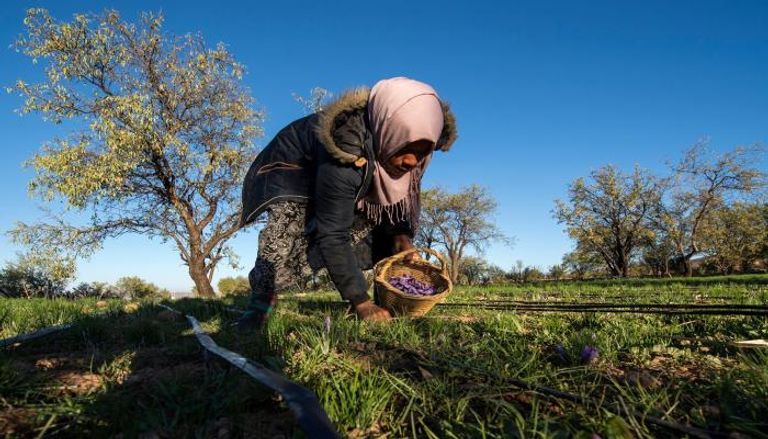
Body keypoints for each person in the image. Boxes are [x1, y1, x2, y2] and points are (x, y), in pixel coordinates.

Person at [236, 77, 457, 330]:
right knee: (284, 236)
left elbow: (394, 203)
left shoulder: (411, 150)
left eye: (422, 151)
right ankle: (261, 300)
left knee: (374, 223)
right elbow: (333, 232)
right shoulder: (346, 148)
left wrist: (402, 239)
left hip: (352, 169)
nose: (411, 161)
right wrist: (360, 302)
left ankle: (385, 299)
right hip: (292, 172)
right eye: (406, 148)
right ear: (390, 131)